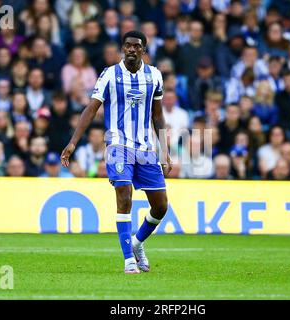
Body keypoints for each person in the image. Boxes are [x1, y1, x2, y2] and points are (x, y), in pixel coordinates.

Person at [60, 31, 172, 274]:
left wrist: (165, 150)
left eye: (136, 46)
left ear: (144, 50)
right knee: (124, 196)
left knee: (161, 206)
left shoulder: (154, 76)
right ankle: (127, 260)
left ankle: (137, 243)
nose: (131, 49)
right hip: (117, 146)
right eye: (127, 45)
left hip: (145, 149)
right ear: (123, 48)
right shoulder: (110, 74)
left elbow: (158, 115)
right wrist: (73, 142)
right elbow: (91, 109)